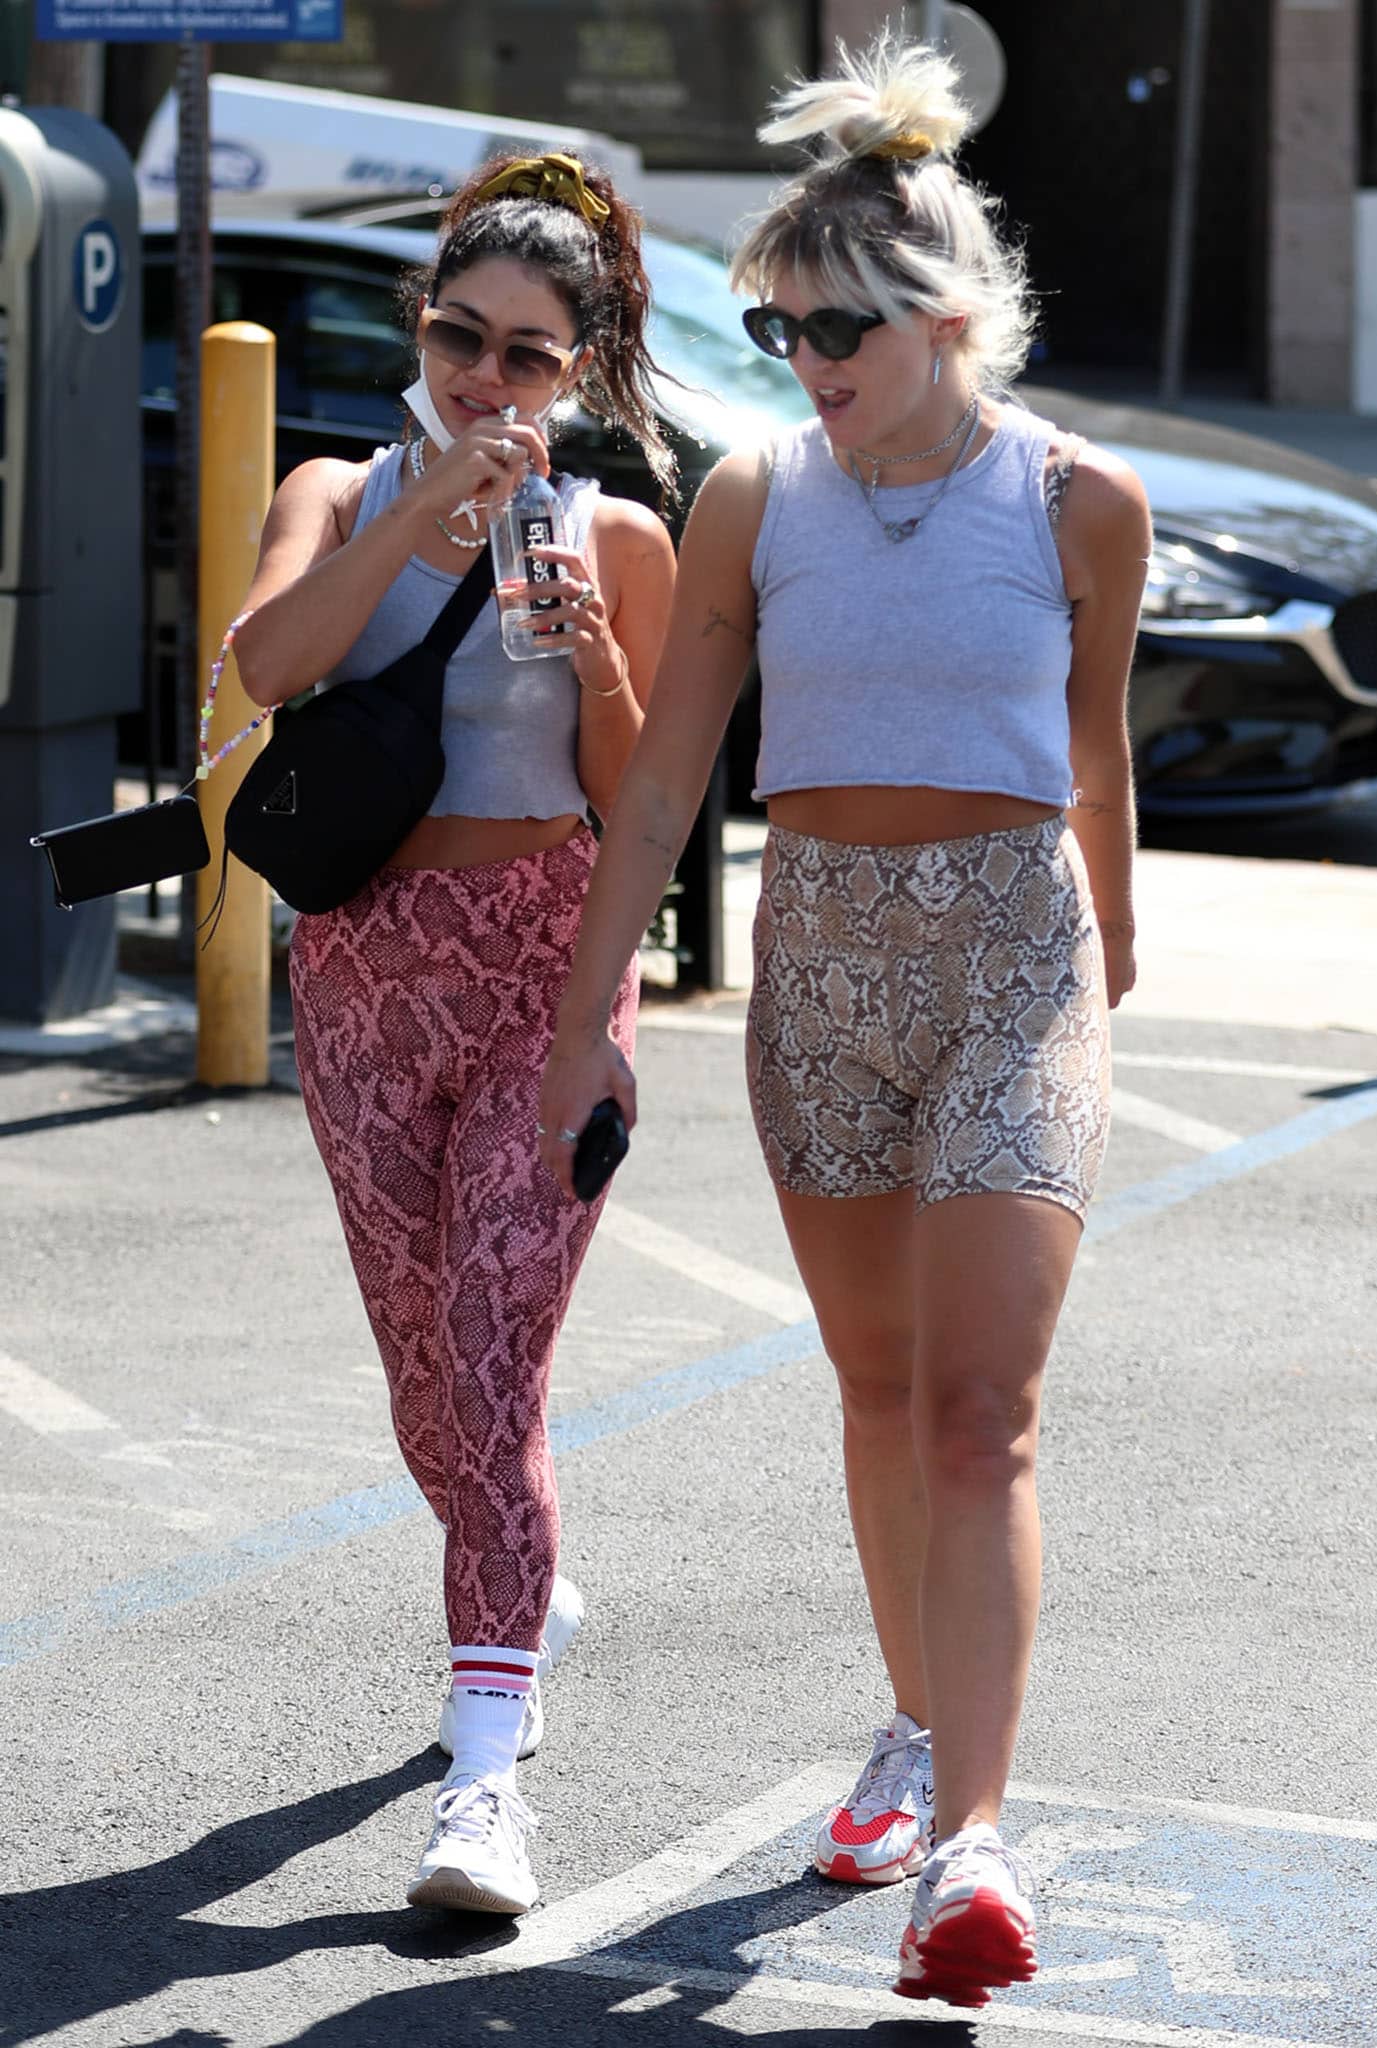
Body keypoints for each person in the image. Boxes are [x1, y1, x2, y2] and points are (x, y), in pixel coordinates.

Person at [537, 33, 1149, 2010]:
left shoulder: (1079, 500)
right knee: (884, 1398)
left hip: (1008, 957)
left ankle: (974, 1843)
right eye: (776, 318)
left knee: (983, 1417)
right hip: (819, 964)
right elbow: (662, 785)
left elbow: (1096, 751)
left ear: (947, 314)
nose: (800, 351)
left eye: (835, 322)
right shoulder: (749, 499)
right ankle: (914, 1728)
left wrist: (1108, 959)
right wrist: (588, 1018)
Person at [232, 152, 678, 1916]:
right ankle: (512, 1562)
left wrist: (602, 666)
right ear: (420, 331)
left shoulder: (622, 533)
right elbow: (264, 670)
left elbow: (638, 811)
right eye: (459, 337)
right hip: (361, 962)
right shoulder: (339, 492)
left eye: (529, 356)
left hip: (549, 963)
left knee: (497, 1351)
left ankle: (483, 1779)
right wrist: (421, 520)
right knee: (429, 1373)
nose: (487, 379)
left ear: (585, 367)